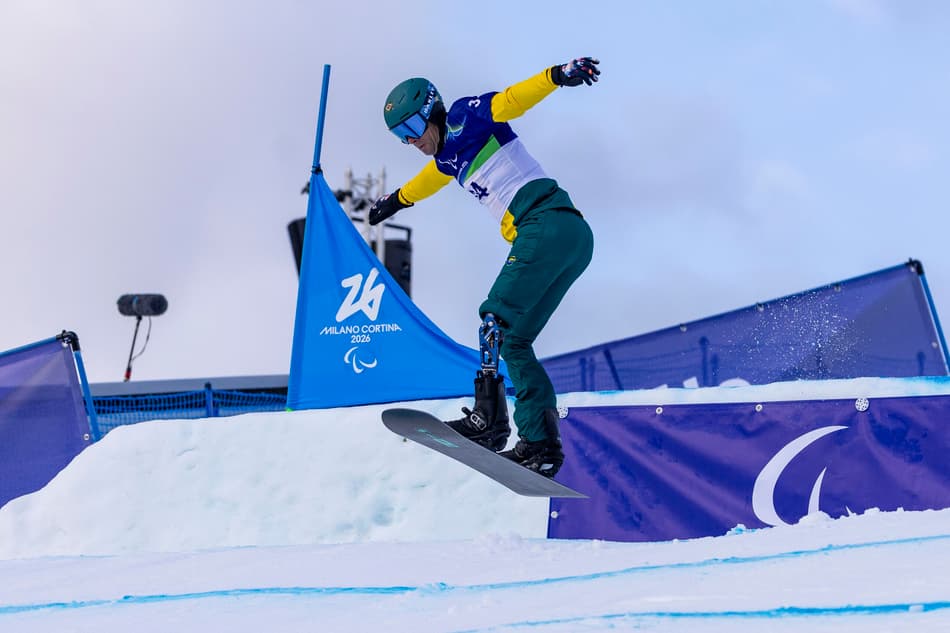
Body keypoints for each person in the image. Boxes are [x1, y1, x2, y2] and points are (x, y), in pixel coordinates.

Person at [369, 57, 599, 478]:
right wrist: (394, 201)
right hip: (569, 237)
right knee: (513, 342)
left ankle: (489, 422)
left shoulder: (463, 118)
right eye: (400, 137)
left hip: (544, 221)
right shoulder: (447, 159)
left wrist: (556, 76)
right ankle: (540, 444)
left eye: (412, 129)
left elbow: (510, 101)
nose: (411, 141)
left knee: (494, 317)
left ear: (430, 113)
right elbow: (429, 181)